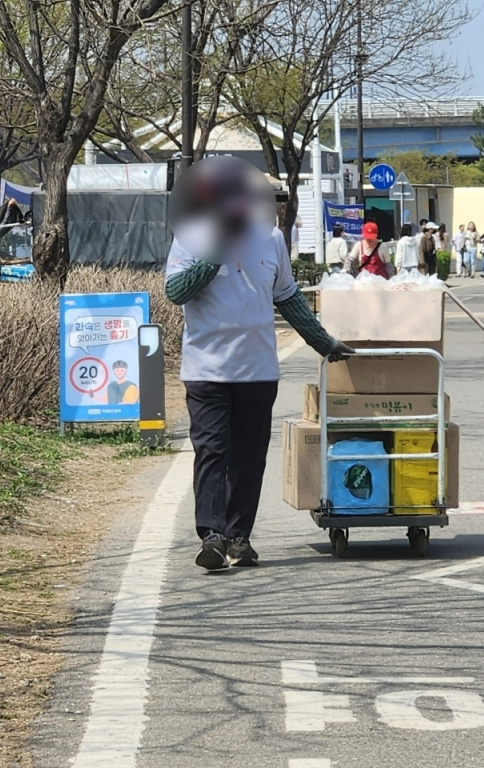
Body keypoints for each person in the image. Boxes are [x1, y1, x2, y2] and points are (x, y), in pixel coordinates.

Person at [164, 160, 354, 571]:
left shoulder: (270, 241)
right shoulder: (191, 238)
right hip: (206, 370)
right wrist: (215, 252)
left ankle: (238, 537)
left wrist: (325, 344)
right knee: (213, 452)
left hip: (257, 371)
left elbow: (289, 299)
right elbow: (176, 292)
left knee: (249, 458)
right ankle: (211, 536)